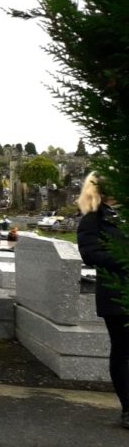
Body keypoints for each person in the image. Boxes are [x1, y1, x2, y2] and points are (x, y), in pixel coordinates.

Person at [76, 171, 129, 430]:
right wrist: (123, 261)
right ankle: (128, 408)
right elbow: (90, 253)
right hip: (115, 292)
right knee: (123, 349)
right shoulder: (93, 219)